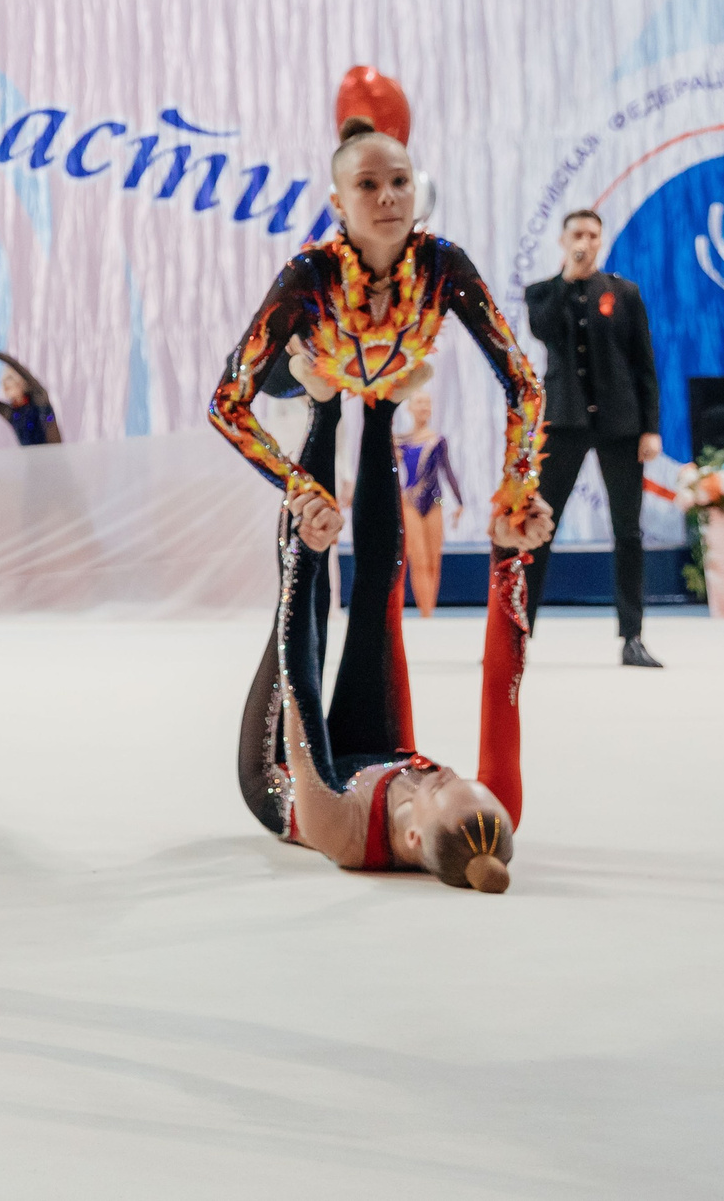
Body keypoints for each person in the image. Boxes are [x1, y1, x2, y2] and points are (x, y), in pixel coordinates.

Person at [210, 81, 553, 891]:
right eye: (369, 185)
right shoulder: (309, 275)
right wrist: (298, 484)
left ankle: (348, 405)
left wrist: (513, 489)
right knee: (370, 576)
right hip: (326, 361)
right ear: (338, 202)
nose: (390, 197)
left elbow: (522, 386)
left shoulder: (441, 264)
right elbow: (229, 401)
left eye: (399, 181)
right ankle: (337, 401)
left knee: (332, 588)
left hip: (292, 783)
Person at [522, 208, 666, 668]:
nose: (585, 241)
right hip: (564, 422)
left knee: (628, 531)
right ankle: (519, 630)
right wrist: (568, 280)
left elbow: (644, 363)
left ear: (601, 241)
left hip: (620, 423)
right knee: (540, 528)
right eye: (577, 234)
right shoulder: (544, 292)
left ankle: (632, 635)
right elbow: (544, 332)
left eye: (592, 235)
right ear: (563, 241)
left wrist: (651, 428)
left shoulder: (624, 293)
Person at [398, 388, 463, 618]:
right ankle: (425, 613)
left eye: (428, 403)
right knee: (419, 560)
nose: (424, 407)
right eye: (420, 402)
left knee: (434, 560)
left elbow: (448, 472)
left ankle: (430, 611)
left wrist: (460, 502)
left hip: (435, 502)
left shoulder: (437, 440)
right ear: (410, 407)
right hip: (409, 504)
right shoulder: (400, 442)